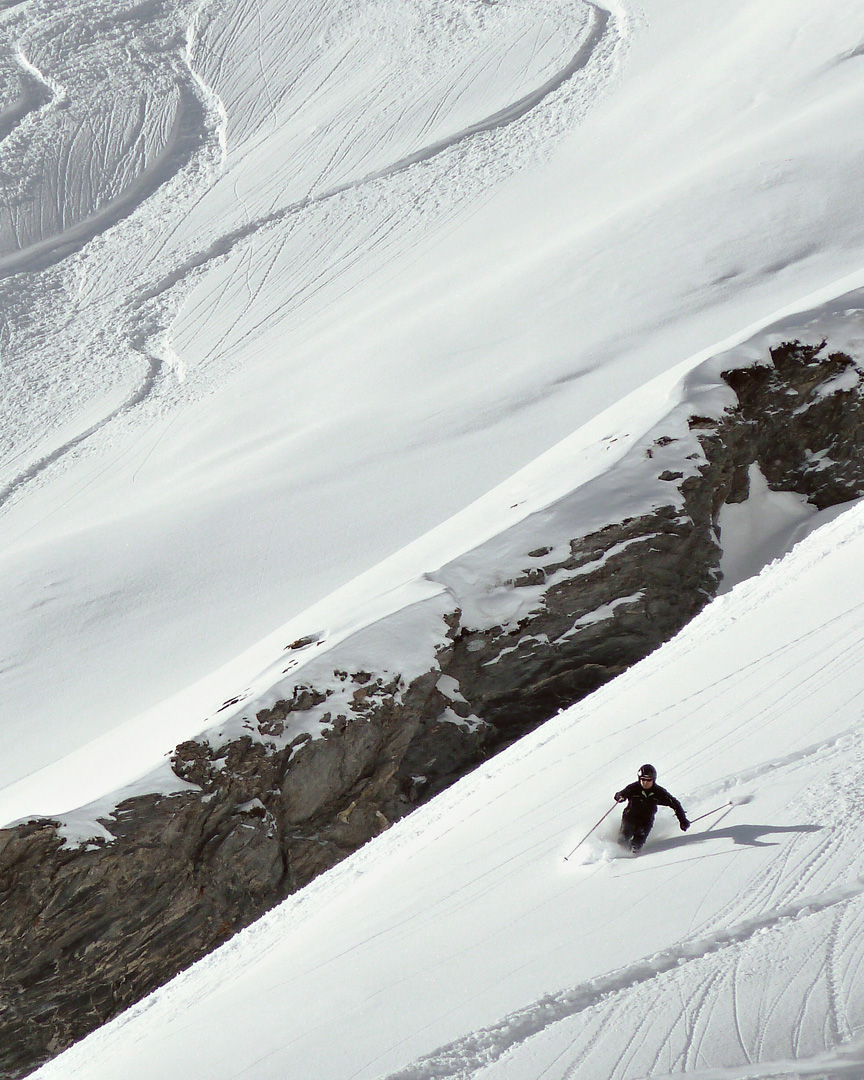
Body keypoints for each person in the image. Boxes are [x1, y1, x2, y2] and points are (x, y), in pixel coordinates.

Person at [614, 764, 689, 852]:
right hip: (630, 818)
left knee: (636, 844)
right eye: (643, 779)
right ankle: (618, 858)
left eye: (649, 780)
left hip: (646, 821)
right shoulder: (633, 788)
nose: (645, 782)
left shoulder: (658, 792)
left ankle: (634, 859)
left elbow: (675, 804)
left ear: (653, 780)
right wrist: (620, 797)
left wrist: (683, 820)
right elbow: (619, 795)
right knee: (623, 840)